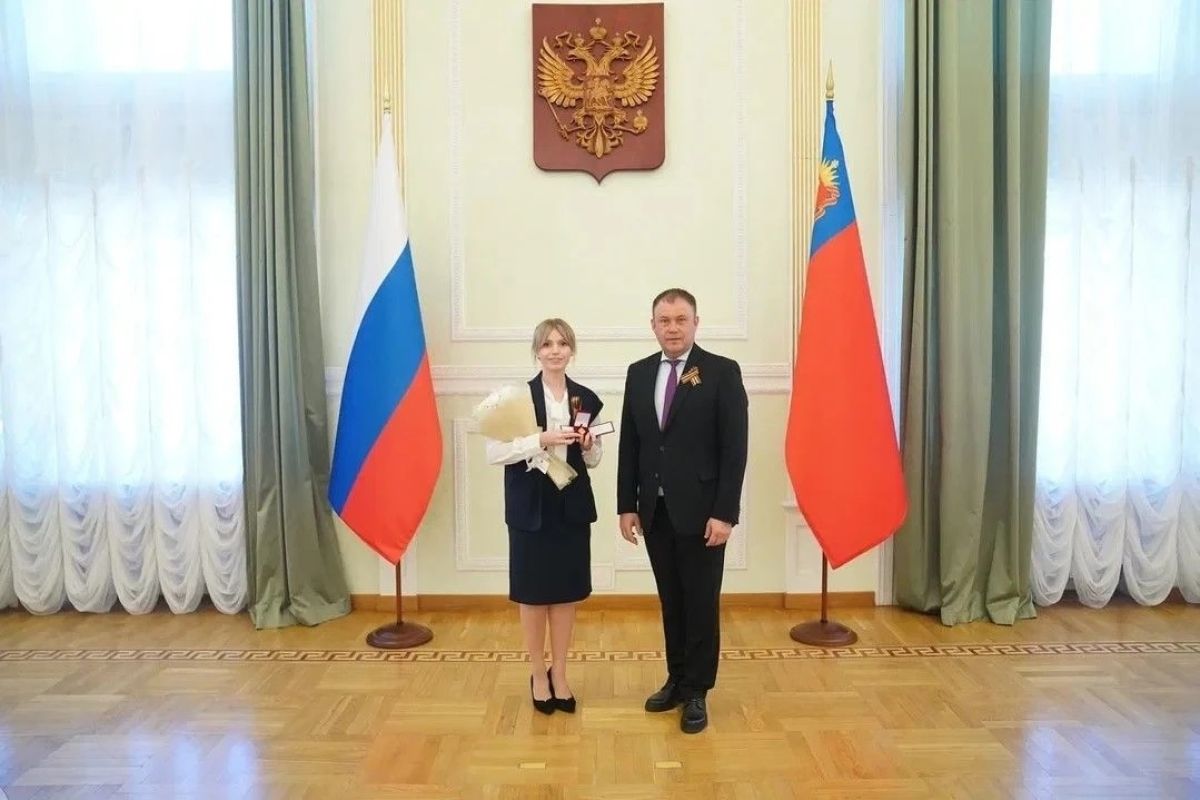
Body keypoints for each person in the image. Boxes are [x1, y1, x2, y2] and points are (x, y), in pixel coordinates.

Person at [616, 288, 748, 733]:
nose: (672, 328)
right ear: (652, 325)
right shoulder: (638, 374)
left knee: (701, 604)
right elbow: (631, 444)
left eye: (680, 320)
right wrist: (627, 505)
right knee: (671, 602)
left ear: (695, 323)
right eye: (664, 320)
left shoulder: (721, 372)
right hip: (655, 512)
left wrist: (725, 513)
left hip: (704, 515)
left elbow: (734, 449)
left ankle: (697, 691)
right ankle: (675, 679)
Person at [485, 318, 603, 715]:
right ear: (537, 351)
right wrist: (540, 439)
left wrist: (588, 446)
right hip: (529, 510)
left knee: (566, 594)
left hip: (571, 507)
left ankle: (561, 674)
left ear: (572, 350)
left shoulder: (585, 399)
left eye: (562, 343)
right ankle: (538, 674)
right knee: (534, 595)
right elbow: (494, 453)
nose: (555, 350)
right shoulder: (516, 398)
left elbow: (594, 460)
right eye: (548, 344)